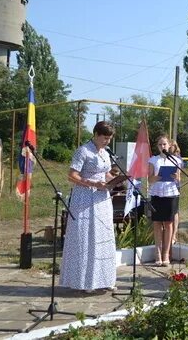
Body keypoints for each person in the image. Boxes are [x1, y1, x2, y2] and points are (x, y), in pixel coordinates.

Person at [59, 121, 117, 292]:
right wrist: (91, 183)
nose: (107, 141)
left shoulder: (105, 153)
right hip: (84, 198)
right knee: (86, 237)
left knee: (102, 236)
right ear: (96, 135)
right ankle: (85, 282)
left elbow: (104, 173)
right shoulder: (83, 151)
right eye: (105, 138)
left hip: (101, 198)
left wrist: (112, 179)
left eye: (109, 139)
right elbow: (72, 175)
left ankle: (104, 279)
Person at [147, 133, 181, 266]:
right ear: (157, 146)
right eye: (160, 144)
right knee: (157, 224)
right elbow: (149, 178)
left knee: (168, 224)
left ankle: (166, 254)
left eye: (165, 144)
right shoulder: (153, 160)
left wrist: (174, 176)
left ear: (169, 145)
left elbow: (178, 178)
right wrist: (157, 177)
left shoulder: (175, 160)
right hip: (157, 193)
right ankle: (158, 253)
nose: (163, 146)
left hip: (171, 193)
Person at [168, 140, 183, 246]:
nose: (169, 147)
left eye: (171, 145)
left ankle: (174, 234)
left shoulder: (177, 159)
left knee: (175, 211)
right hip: (163, 188)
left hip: (174, 187)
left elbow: (178, 176)